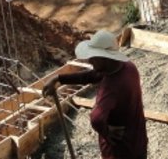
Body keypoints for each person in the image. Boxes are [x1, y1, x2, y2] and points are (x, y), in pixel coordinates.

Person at [42, 30, 147, 159]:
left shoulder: (111, 86)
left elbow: (96, 118)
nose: (90, 60)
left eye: (94, 56)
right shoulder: (127, 67)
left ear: (106, 58)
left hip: (119, 152)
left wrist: (107, 133)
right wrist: (59, 78)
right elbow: (92, 75)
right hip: (137, 142)